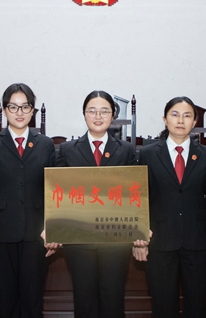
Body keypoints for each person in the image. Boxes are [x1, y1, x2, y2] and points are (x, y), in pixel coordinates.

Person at [133, 96, 206, 318]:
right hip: (160, 242)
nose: (180, 120)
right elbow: (139, 199)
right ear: (165, 119)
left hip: (197, 243)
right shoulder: (147, 154)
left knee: (197, 305)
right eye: (175, 114)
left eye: (187, 116)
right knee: (163, 305)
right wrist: (139, 238)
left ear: (194, 122)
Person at [0, 83, 56, 318]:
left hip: (36, 234)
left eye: (25, 107)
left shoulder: (45, 144)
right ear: (4, 110)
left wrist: (53, 230)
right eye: (13, 107)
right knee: (5, 300)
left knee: (32, 300)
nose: (19, 112)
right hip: (0, 234)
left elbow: (53, 192)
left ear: (32, 111)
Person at [55, 90, 137, 318]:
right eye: (92, 111)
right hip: (79, 240)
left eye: (104, 111)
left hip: (115, 239)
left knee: (113, 299)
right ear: (84, 114)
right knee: (85, 300)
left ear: (113, 116)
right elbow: (58, 193)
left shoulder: (126, 150)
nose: (98, 116)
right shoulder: (67, 150)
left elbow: (134, 193)